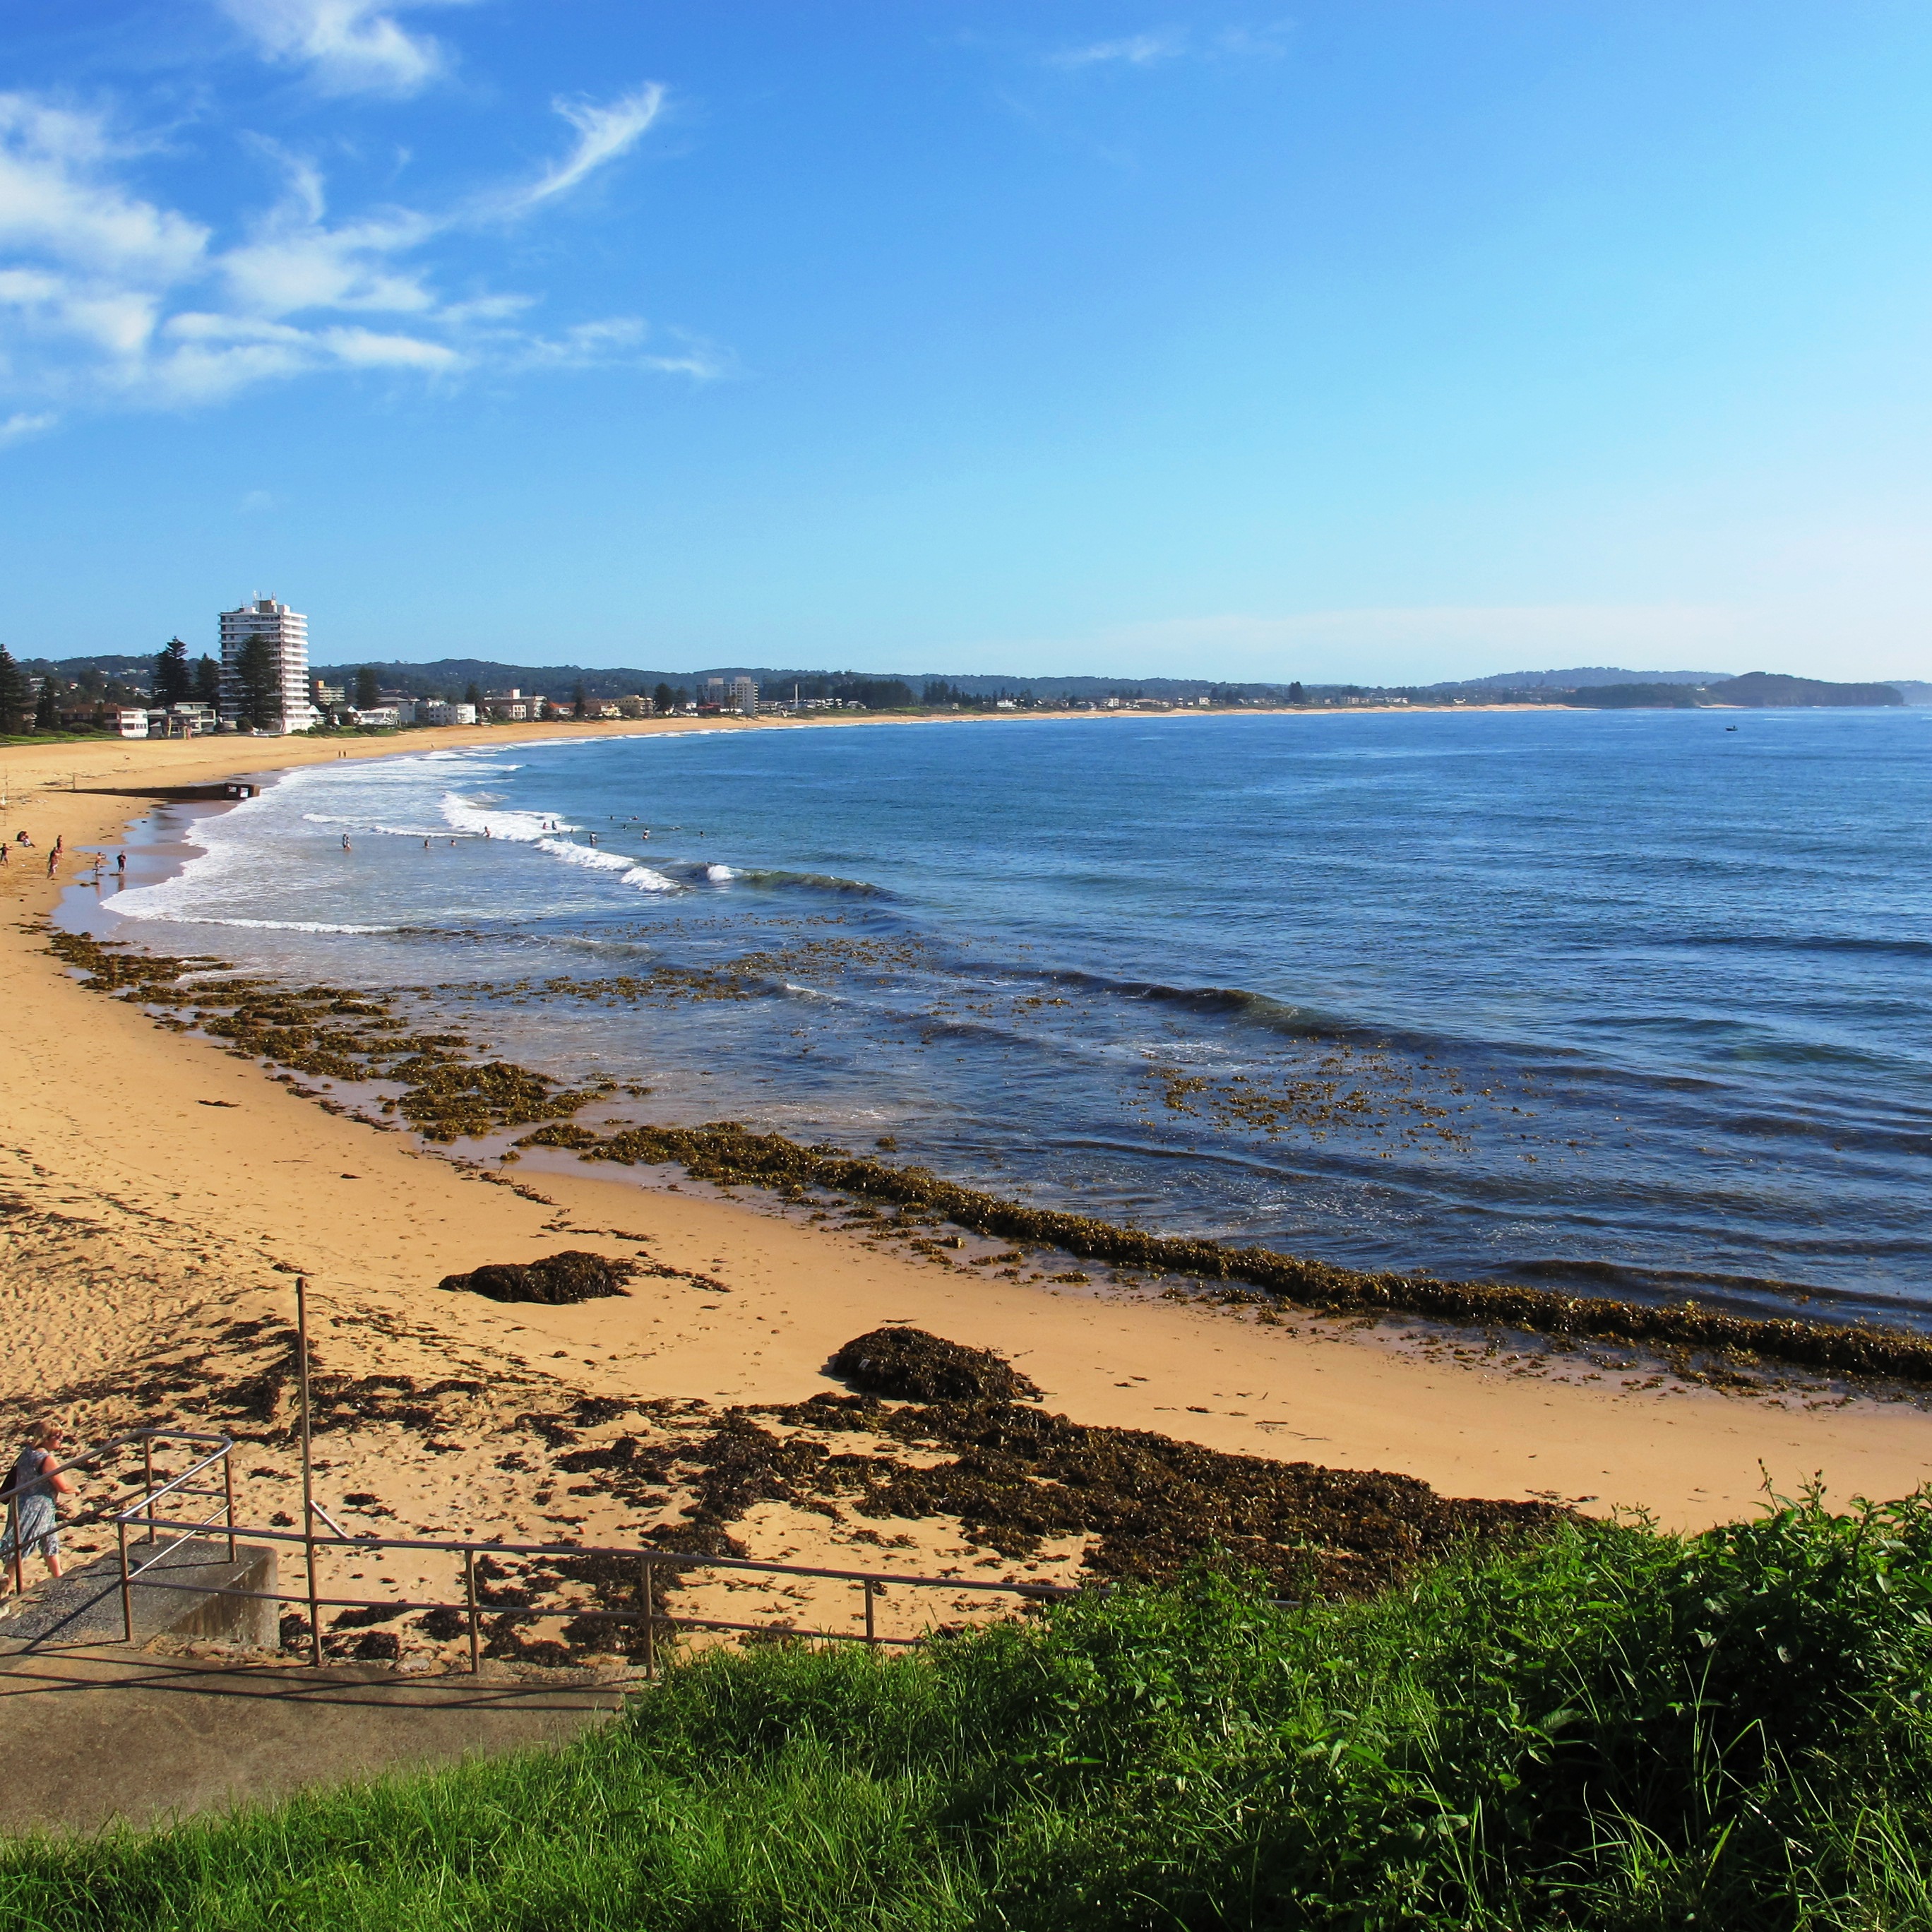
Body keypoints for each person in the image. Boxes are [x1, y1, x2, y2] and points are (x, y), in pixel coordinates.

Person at [0, 1420, 76, 1592]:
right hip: (37, 1507)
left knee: (49, 1540)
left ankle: (58, 1576)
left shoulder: (27, 1453)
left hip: (21, 1503)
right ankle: (4, 1590)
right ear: (46, 1438)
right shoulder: (46, 1459)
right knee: (19, 1548)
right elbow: (62, 1486)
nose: (61, 1439)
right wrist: (75, 1490)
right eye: (57, 1436)